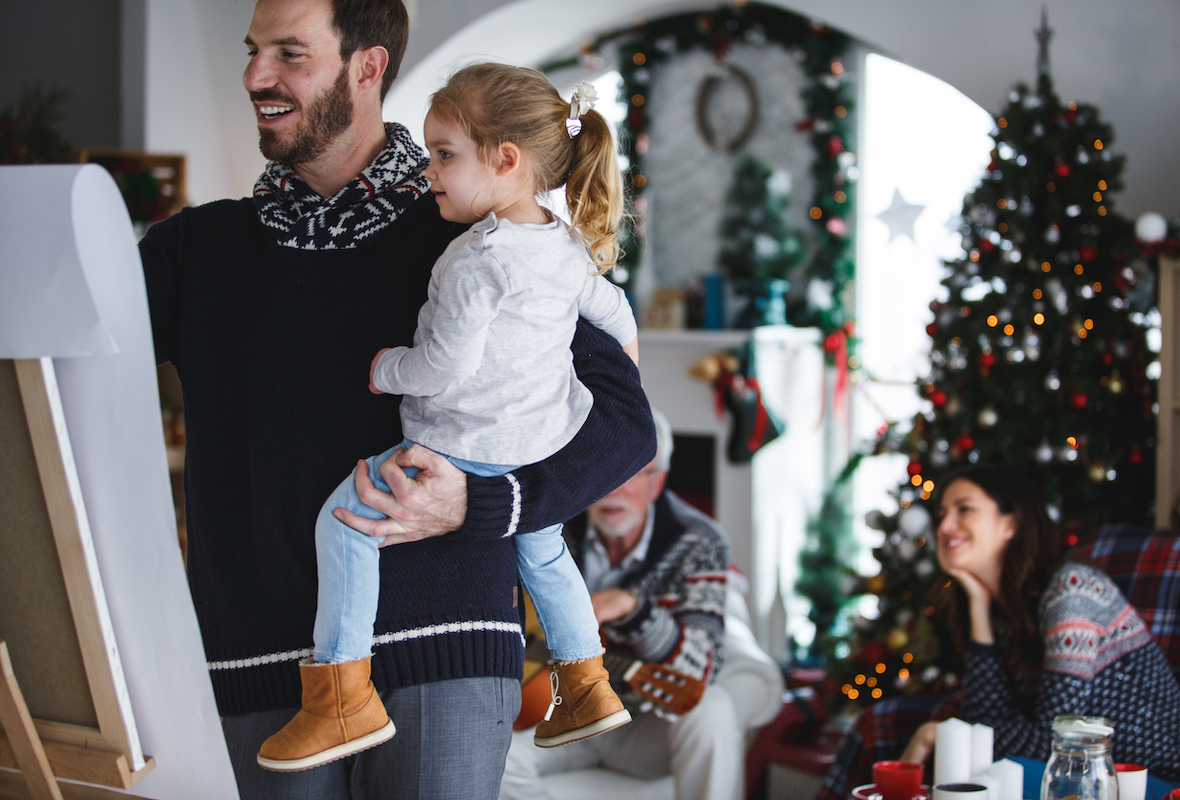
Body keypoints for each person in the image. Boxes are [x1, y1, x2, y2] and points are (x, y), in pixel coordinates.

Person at [137, 0, 654, 797]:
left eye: (288, 53)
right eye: (251, 51)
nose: (254, 76)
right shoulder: (191, 252)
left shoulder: (483, 233)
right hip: (259, 666)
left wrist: (483, 506)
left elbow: (625, 428)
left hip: (444, 654)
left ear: (367, 67)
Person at [256, 64, 636, 771]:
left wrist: (385, 368)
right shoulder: (561, 241)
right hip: (536, 447)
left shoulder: (474, 259)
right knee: (545, 553)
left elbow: (443, 366)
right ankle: (585, 684)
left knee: (345, 526)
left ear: (506, 159)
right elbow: (614, 315)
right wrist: (628, 365)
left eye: (445, 154)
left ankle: (341, 695)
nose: (431, 170)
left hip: (459, 447)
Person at [818, 464, 1180, 800]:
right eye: (941, 514)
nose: (944, 526)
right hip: (1085, 777)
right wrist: (979, 605)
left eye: (964, 509)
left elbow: (1050, 745)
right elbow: (984, 718)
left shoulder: (1073, 592)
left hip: (1158, 783)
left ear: (1010, 524)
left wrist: (936, 732)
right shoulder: (1008, 612)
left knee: (988, 778)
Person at [500, 409, 745, 800]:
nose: (613, 489)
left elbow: (704, 667)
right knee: (494, 752)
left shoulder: (698, 541)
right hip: (561, 707)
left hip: (644, 720)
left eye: (632, 473)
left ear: (659, 480)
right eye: (605, 472)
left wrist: (634, 609)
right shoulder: (553, 525)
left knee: (713, 710)